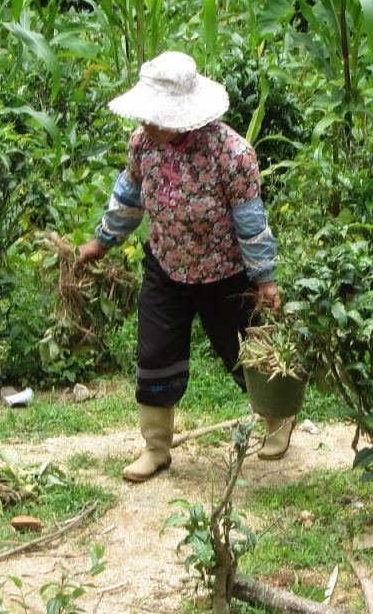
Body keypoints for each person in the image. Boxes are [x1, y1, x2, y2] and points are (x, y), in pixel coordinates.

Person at [77, 51, 292, 482]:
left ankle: (278, 421)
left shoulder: (230, 153)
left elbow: (250, 222)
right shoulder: (143, 144)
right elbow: (129, 196)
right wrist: (103, 241)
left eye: (159, 117)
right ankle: (156, 447)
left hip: (224, 272)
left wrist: (265, 280)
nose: (150, 124)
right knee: (155, 353)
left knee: (243, 353)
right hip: (166, 267)